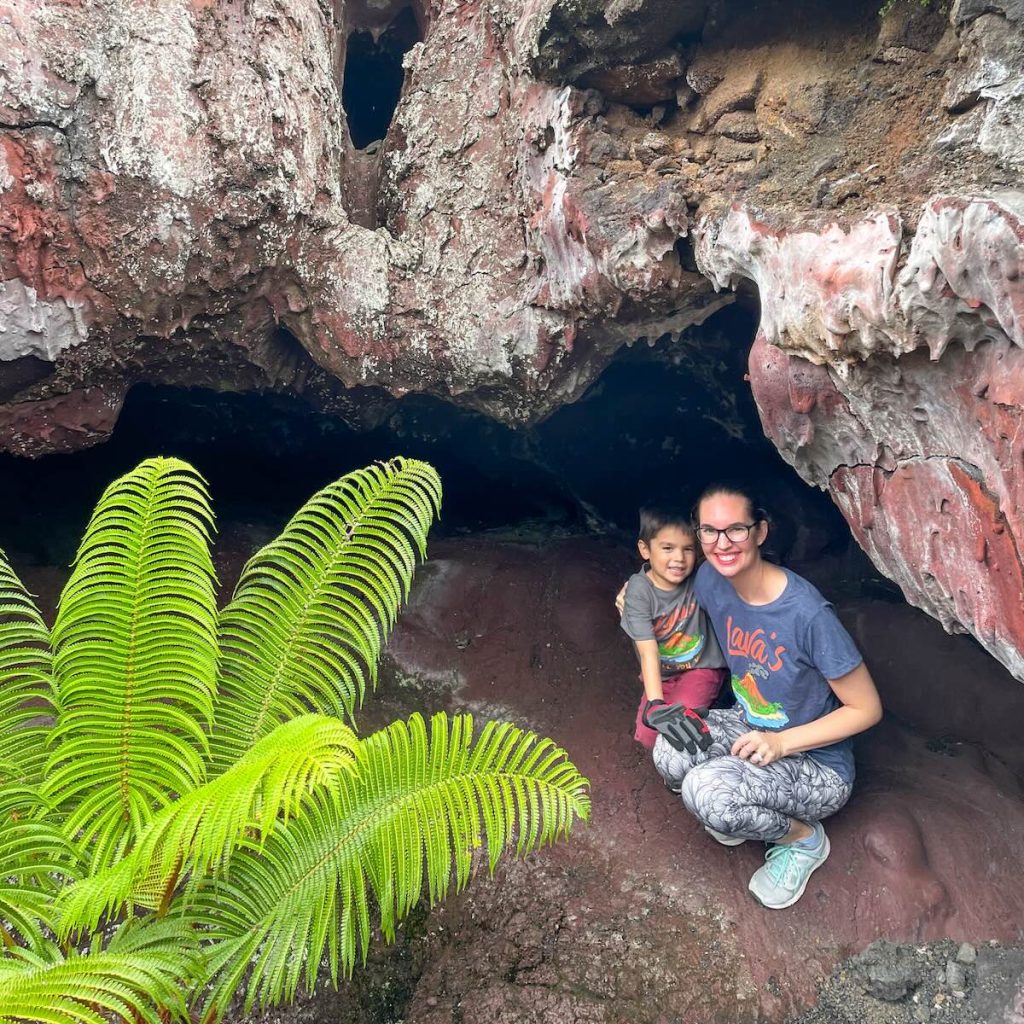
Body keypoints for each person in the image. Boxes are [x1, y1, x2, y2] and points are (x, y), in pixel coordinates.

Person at [620, 484, 882, 910]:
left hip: (815, 761)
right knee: (670, 750)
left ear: (760, 532)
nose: (722, 544)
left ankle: (804, 840)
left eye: (735, 530)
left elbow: (867, 708)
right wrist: (630, 600)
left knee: (706, 791)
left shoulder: (808, 615)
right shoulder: (710, 580)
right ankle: (738, 806)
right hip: (751, 726)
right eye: (710, 532)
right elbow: (663, 596)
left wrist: (780, 743)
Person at [619, 506, 728, 751]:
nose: (679, 558)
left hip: (701, 668)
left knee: (683, 722)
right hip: (663, 672)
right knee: (648, 735)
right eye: (667, 548)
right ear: (645, 549)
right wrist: (655, 703)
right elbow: (648, 652)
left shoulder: (700, 576)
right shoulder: (639, 590)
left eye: (687, 549)